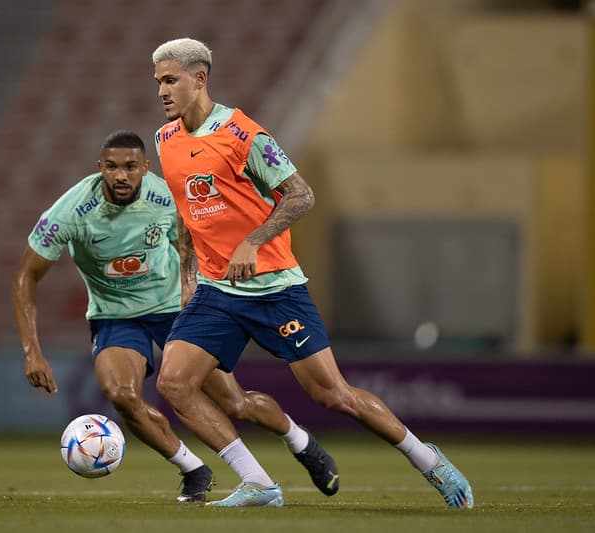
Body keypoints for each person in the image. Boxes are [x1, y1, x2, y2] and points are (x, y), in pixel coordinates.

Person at [151, 38, 474, 509]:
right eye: (158, 81)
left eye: (170, 79)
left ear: (199, 79)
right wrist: (187, 276)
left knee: (333, 395)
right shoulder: (166, 140)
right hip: (219, 291)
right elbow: (186, 212)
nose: (161, 90)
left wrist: (253, 240)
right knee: (174, 383)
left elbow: (301, 195)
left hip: (276, 288)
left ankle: (429, 460)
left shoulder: (243, 135)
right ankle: (258, 483)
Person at [11, 130, 339, 503]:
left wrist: (190, 286)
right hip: (115, 315)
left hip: (172, 308)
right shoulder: (70, 212)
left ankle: (300, 441)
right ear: (99, 167)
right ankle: (194, 470)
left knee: (235, 402)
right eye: (113, 167)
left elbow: (191, 240)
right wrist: (31, 352)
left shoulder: (165, 195)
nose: (121, 176)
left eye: (131, 167)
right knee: (121, 395)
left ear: (145, 168)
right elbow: (26, 275)